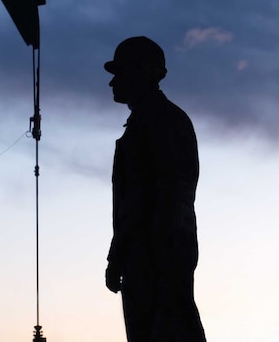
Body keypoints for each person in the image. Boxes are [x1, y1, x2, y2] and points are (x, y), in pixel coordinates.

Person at [103, 36, 206, 341]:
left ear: (142, 72)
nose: (112, 83)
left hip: (159, 256)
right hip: (144, 257)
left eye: (119, 74)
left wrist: (158, 258)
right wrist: (118, 256)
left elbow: (172, 195)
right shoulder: (143, 124)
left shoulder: (164, 122)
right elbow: (131, 205)